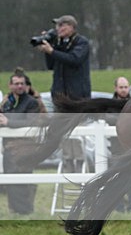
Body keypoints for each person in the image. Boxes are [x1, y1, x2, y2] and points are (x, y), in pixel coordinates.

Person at [35, 14, 92, 172]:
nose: (58, 29)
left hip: (77, 97)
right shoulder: (58, 43)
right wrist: (47, 50)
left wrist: (52, 51)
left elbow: (74, 59)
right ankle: (68, 159)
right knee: (62, 128)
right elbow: (51, 65)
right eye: (57, 26)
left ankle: (79, 160)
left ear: (72, 27)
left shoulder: (82, 43)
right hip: (60, 96)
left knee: (76, 128)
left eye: (62, 25)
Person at [0, 69, 44, 214]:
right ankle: (15, 210)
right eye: (16, 83)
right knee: (10, 178)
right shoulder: (7, 102)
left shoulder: (32, 102)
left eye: (22, 83)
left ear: (26, 85)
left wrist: (9, 122)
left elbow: (30, 121)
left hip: (25, 146)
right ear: (10, 85)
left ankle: (25, 211)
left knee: (21, 178)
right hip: (8, 146)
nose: (19, 86)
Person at [108, 76, 131, 212]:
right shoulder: (110, 105)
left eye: (126, 87)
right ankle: (119, 208)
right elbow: (107, 118)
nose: (124, 90)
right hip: (116, 148)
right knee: (116, 180)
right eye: (121, 87)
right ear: (116, 88)